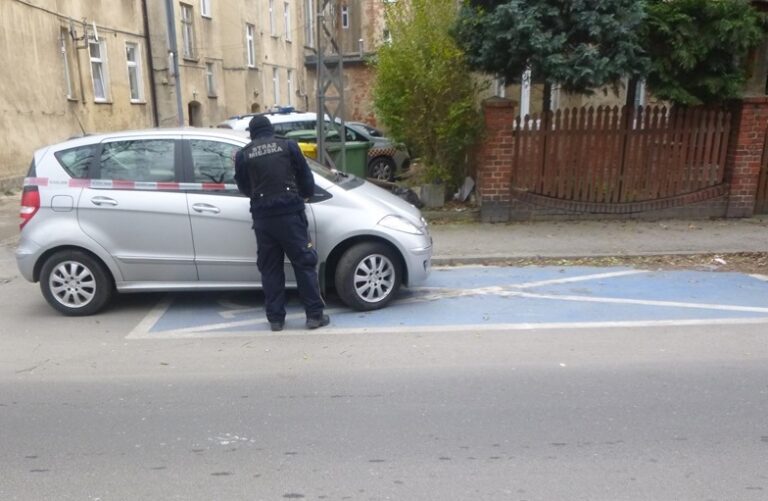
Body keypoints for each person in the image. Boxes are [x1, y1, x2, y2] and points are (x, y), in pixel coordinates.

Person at [234, 114, 330, 331]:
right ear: (270, 129)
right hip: (290, 215)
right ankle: (314, 316)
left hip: (263, 219)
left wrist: (259, 197)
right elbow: (306, 178)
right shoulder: (288, 146)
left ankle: (276, 319)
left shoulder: (244, 155)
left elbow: (243, 186)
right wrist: (304, 196)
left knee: (270, 268)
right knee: (304, 264)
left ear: (252, 133)